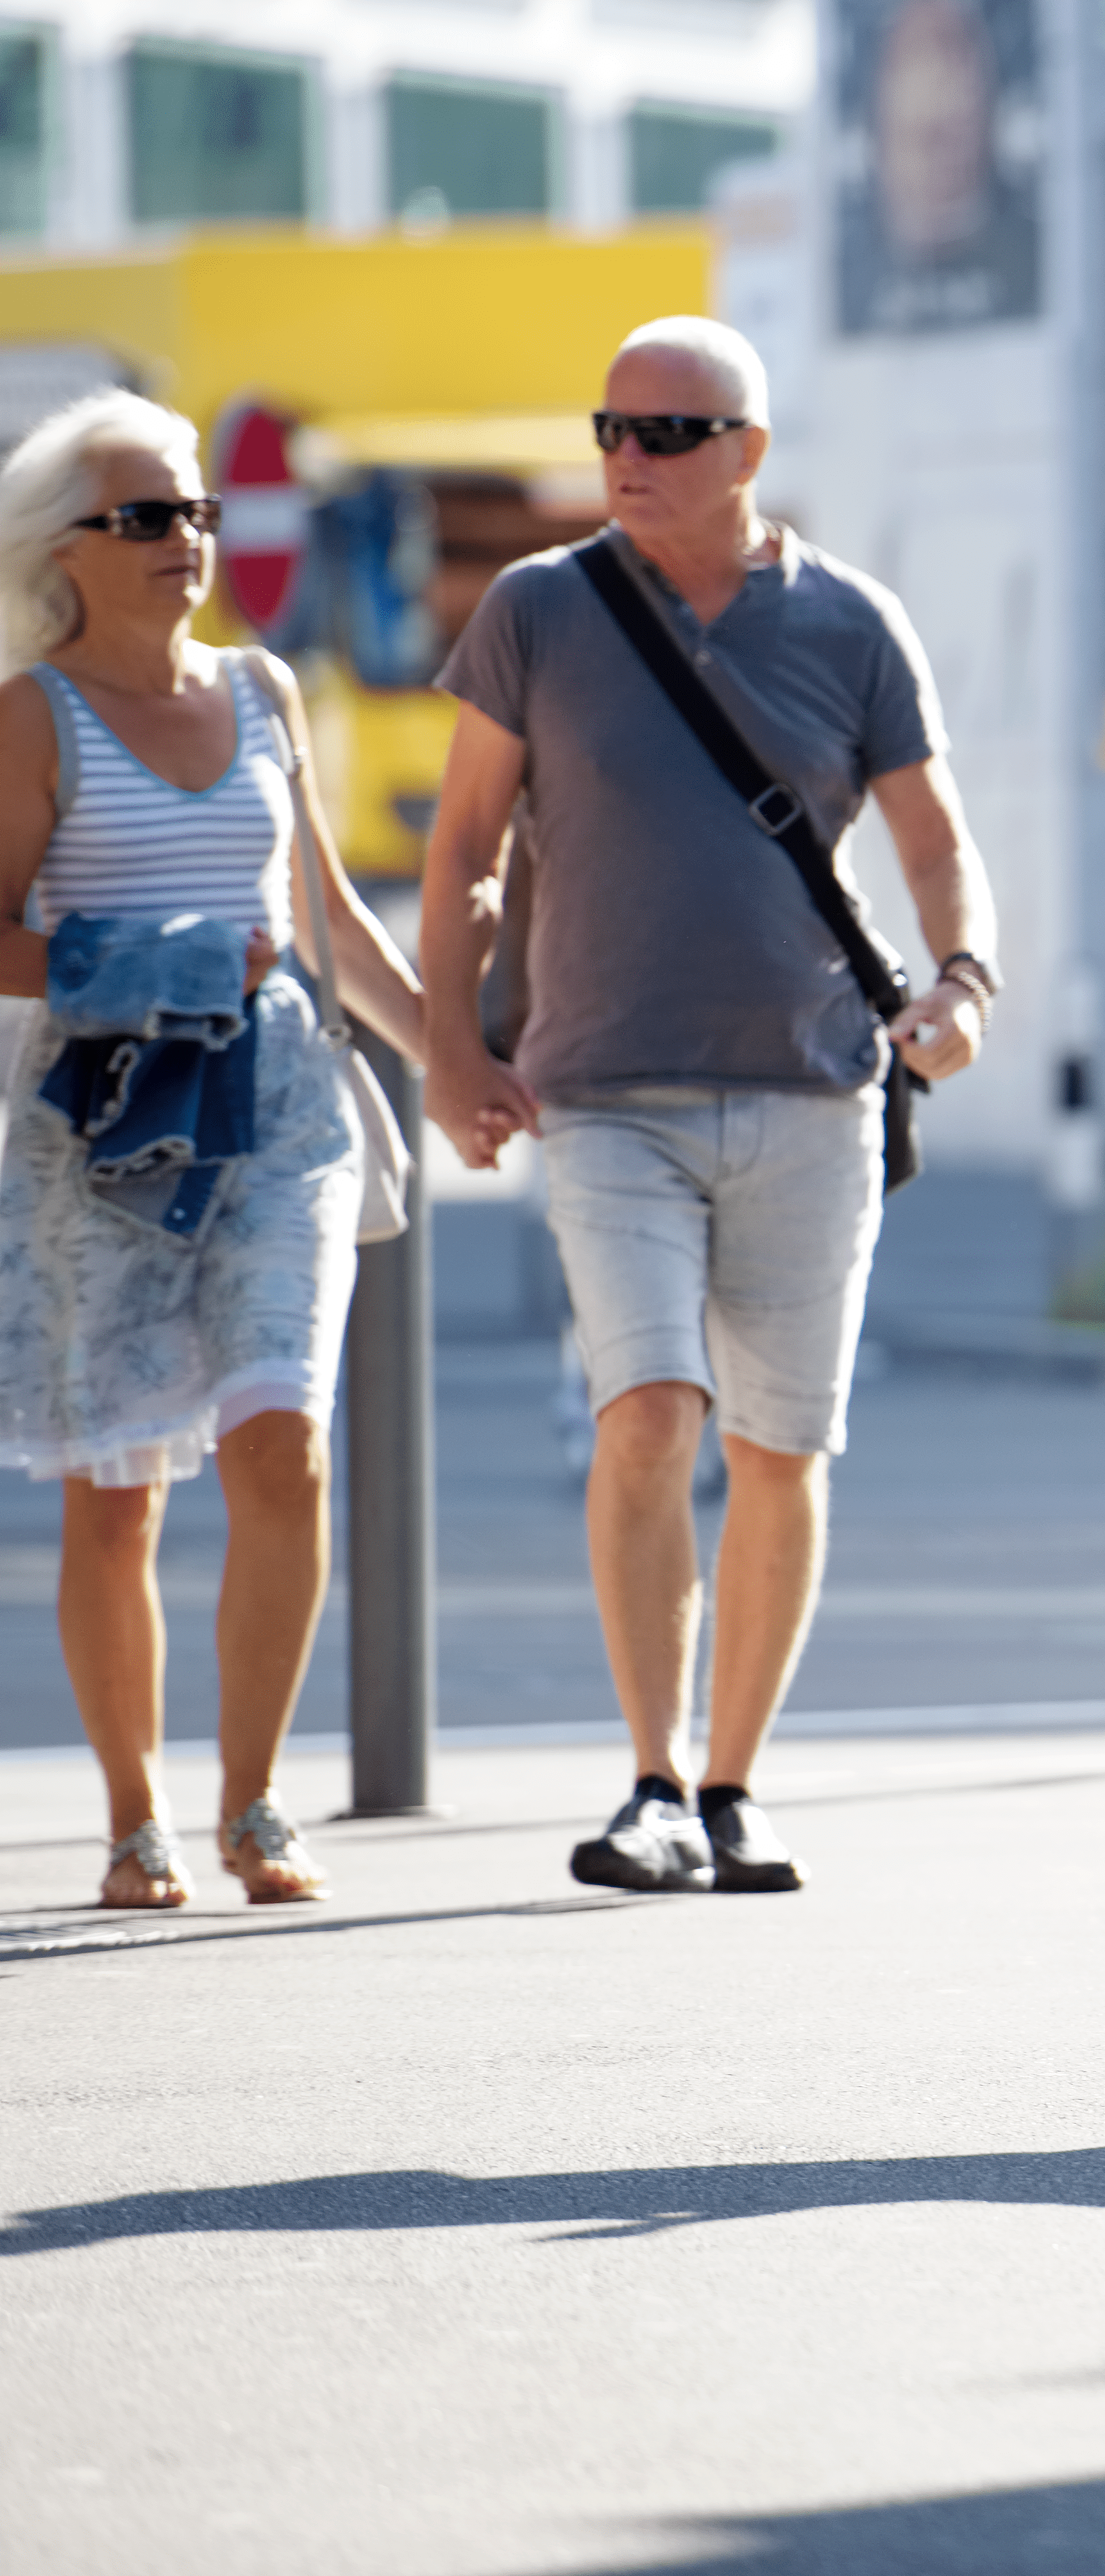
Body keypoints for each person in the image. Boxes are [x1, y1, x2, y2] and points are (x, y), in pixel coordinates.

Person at [418, 316, 1002, 1895]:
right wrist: (447, 1049)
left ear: (747, 450)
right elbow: (465, 840)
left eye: (670, 432)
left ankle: (732, 1786)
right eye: (612, 424)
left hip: (817, 1091)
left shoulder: (853, 624)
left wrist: (961, 983)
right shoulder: (539, 611)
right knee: (647, 1410)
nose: (631, 455)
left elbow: (937, 842)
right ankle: (652, 1778)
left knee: (780, 1448)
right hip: (603, 1093)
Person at [0, 390, 428, 1908]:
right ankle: (133, 1818)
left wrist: (460, 1052)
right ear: (68, 548)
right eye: (147, 517)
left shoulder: (263, 690)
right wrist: (168, 961)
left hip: (277, 1111)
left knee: (284, 1446)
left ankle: (254, 1804)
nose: (187, 538)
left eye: (193, 509)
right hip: (100, 1126)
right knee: (116, 1494)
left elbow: (324, 913)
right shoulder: (30, 714)